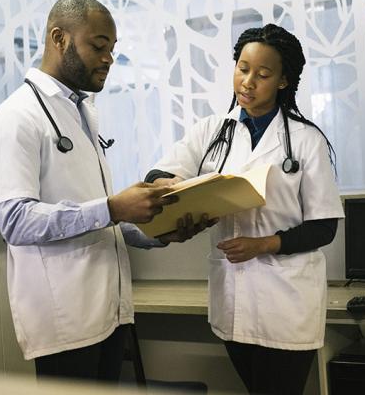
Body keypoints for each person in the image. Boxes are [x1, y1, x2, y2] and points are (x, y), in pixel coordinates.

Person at [0, 0, 213, 382]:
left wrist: (159, 231)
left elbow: (98, 217)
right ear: (59, 39)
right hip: (63, 319)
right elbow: (16, 221)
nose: (108, 59)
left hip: (108, 310)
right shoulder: (15, 119)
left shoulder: (82, 112)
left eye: (113, 50)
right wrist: (115, 207)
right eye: (98, 46)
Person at [145, 24, 344, 394]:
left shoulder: (305, 140)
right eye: (242, 68)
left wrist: (264, 244)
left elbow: (324, 226)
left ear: (283, 81)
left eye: (263, 74)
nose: (248, 82)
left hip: (286, 300)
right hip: (233, 296)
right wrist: (167, 186)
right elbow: (162, 171)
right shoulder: (211, 131)